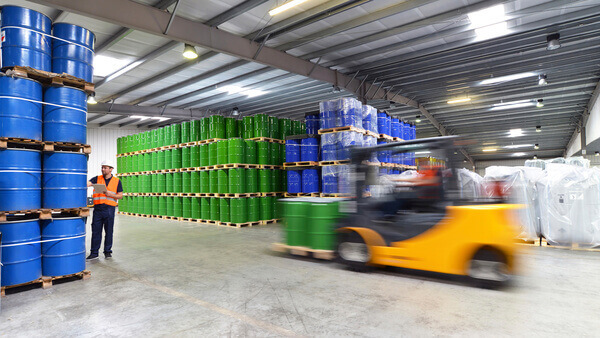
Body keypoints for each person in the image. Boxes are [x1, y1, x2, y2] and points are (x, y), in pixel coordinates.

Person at [86, 160, 123, 260]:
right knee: (96, 231)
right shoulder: (97, 178)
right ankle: (94, 253)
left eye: (105, 167)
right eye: (102, 167)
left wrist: (110, 194)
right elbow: (88, 184)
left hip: (109, 209)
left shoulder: (117, 181)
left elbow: (120, 196)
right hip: (98, 209)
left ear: (111, 169)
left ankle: (107, 251)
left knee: (109, 231)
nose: (103, 169)